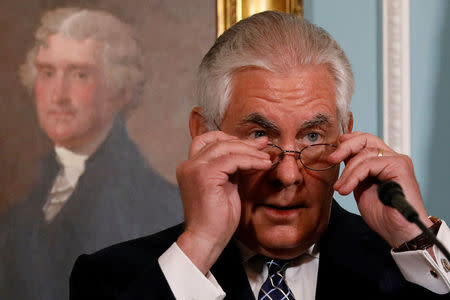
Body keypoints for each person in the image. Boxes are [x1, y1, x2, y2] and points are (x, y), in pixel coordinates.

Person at [69, 11, 450, 299]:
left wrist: (415, 240)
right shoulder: (110, 279)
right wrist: (200, 245)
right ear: (205, 134)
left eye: (313, 135)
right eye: (259, 135)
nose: (288, 175)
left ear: (345, 136)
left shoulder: (407, 266)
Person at [0, 7, 183, 300]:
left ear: (121, 90)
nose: (58, 95)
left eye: (80, 74)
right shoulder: (27, 205)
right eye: (47, 72)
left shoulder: (157, 204)